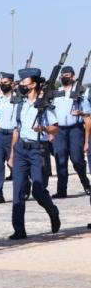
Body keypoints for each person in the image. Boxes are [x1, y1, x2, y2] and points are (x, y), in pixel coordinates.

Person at [8, 67, 62, 239]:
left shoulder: (45, 104)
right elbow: (17, 130)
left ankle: (53, 212)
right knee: (18, 190)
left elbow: (55, 129)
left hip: (38, 150)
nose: (21, 85)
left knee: (38, 190)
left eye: (24, 82)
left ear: (34, 85)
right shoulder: (20, 104)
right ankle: (19, 230)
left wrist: (44, 128)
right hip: (21, 149)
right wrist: (12, 153)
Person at [50, 66, 91, 198]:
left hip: (75, 129)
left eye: (67, 75)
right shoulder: (56, 93)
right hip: (60, 131)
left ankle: (86, 183)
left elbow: (87, 115)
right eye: (62, 75)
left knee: (77, 159)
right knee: (60, 160)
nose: (64, 77)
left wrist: (80, 113)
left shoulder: (80, 92)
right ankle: (61, 190)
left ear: (73, 77)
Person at [0, 73, 18, 204]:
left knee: (15, 165)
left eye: (6, 82)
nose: (3, 84)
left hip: (15, 134)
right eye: (2, 82)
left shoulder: (18, 99)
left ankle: (24, 188)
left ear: (12, 84)